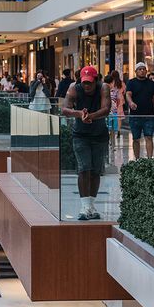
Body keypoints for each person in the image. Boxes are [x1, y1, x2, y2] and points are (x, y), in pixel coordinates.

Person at [62, 65, 111, 221]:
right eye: (84, 83)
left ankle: (91, 205)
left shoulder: (103, 87)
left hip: (99, 135)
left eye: (90, 82)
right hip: (80, 135)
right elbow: (65, 109)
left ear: (96, 80)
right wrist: (79, 114)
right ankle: (84, 206)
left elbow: (106, 109)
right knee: (84, 169)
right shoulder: (74, 88)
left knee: (96, 170)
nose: (87, 86)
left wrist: (90, 116)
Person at [126, 62, 154, 159]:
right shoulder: (131, 82)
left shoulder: (151, 83)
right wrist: (130, 103)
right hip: (135, 115)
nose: (142, 71)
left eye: (144, 69)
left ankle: (149, 159)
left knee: (148, 137)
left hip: (149, 115)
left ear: (146, 71)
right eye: (140, 69)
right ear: (136, 71)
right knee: (136, 139)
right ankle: (137, 159)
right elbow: (128, 94)